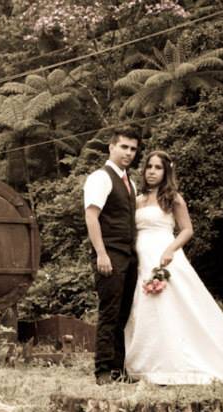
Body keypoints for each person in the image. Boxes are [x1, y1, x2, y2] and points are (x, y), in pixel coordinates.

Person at [123, 150, 223, 389]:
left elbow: (187, 230)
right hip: (140, 257)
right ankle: (144, 363)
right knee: (143, 308)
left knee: (172, 307)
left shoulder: (172, 198)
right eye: (149, 167)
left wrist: (170, 249)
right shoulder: (138, 199)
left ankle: (178, 362)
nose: (152, 172)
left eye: (158, 168)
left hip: (164, 255)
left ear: (166, 172)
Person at [84, 128, 141, 384]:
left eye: (133, 149)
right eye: (124, 147)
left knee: (123, 314)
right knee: (109, 312)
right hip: (110, 254)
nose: (128, 153)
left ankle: (119, 370)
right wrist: (101, 254)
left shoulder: (131, 182)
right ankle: (103, 371)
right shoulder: (101, 177)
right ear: (111, 148)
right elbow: (91, 216)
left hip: (128, 255)